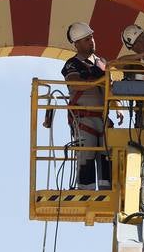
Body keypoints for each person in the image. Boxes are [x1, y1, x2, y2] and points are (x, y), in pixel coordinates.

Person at [44, 22, 122, 190]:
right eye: (86, 39)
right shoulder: (72, 64)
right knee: (86, 156)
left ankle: (107, 192)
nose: (91, 41)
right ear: (77, 44)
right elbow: (75, 83)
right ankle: (85, 193)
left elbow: (110, 86)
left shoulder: (101, 63)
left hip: (103, 118)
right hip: (84, 119)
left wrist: (117, 105)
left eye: (91, 37)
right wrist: (99, 81)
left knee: (107, 156)